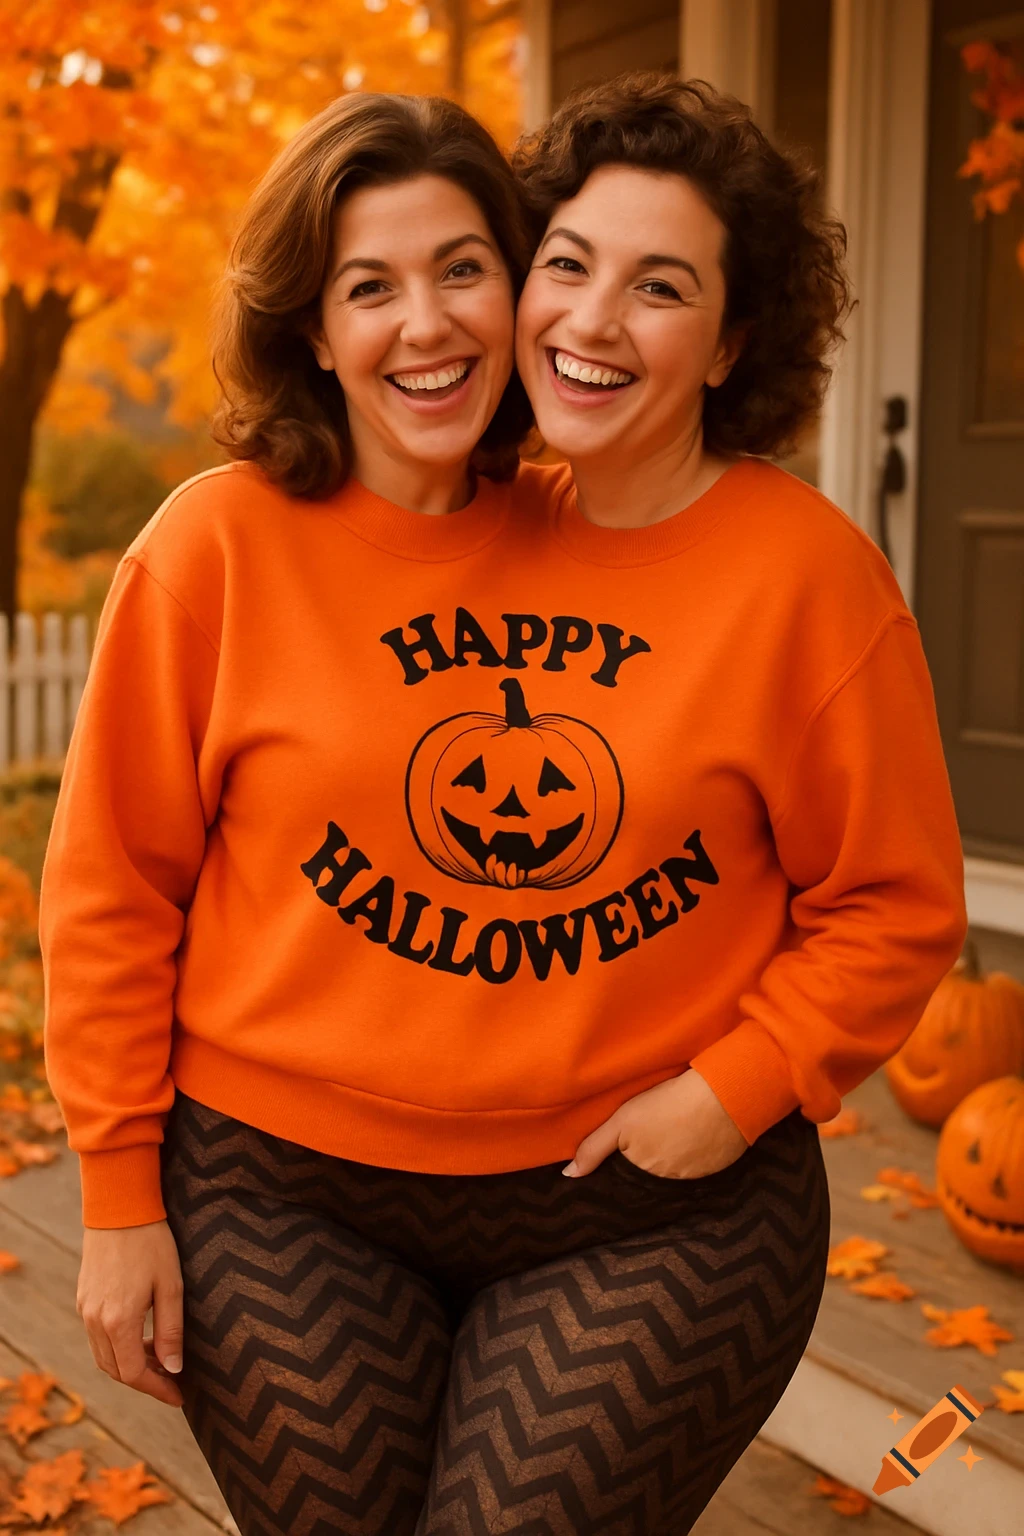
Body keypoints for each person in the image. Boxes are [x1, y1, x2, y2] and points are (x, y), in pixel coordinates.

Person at [38, 79, 966, 1536]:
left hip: (648, 1204)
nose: (587, 322)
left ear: (728, 340)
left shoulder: (797, 575)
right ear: (314, 327)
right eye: (570, 268)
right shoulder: (224, 546)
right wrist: (114, 1198)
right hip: (284, 1197)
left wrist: (732, 1093)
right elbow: (110, 887)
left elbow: (899, 897)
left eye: (658, 287)